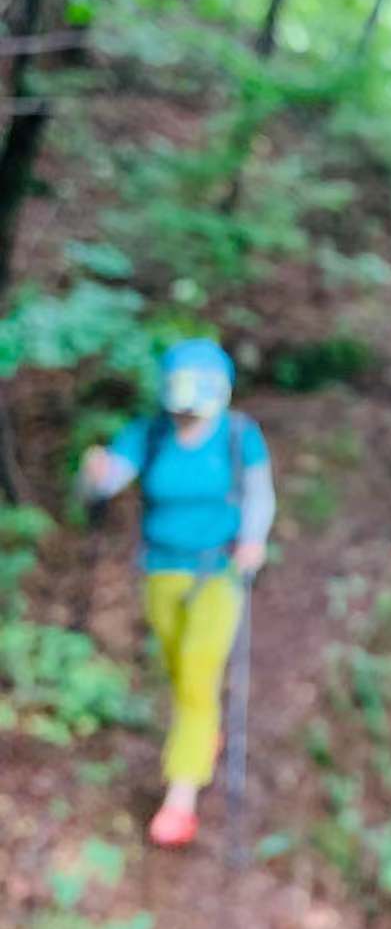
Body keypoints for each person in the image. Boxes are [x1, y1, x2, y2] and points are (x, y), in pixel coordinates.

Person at [81, 339, 275, 849]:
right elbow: (106, 483)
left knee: (197, 666)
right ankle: (203, 733)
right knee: (180, 670)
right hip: (161, 569)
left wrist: (253, 540)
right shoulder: (149, 433)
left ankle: (181, 796)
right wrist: (96, 475)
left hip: (219, 569)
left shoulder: (238, 435)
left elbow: (259, 492)